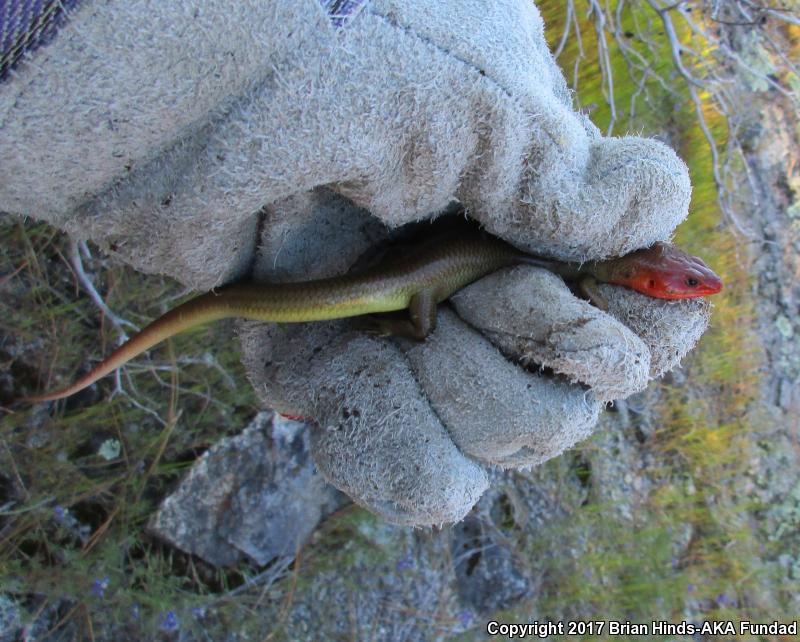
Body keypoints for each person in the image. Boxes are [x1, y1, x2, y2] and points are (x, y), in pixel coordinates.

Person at [0, 0, 710, 525]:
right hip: (409, 292)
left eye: (683, 286)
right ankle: (402, 325)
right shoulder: (583, 264)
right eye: (681, 281)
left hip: (411, 278)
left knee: (417, 311)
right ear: (641, 273)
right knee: (419, 321)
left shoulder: (585, 268)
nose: (686, 289)